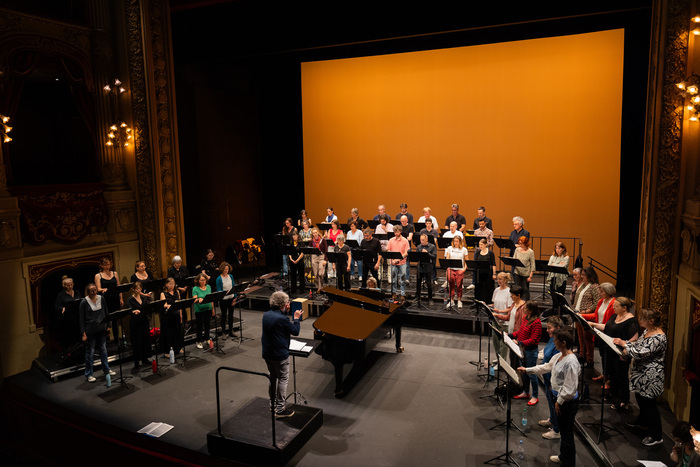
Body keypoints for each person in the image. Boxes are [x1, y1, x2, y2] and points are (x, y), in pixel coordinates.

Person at [519, 329, 580, 465]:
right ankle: (564, 457)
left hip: (566, 403)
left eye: (556, 340)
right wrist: (527, 370)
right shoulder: (559, 355)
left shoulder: (571, 362)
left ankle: (568, 463)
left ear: (563, 343)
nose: (554, 342)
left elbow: (570, 389)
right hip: (558, 399)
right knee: (564, 433)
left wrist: (559, 402)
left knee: (567, 435)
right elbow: (546, 367)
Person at [613, 308, 667, 447]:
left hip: (651, 376)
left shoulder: (658, 338)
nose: (639, 320)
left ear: (651, 321)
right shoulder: (647, 332)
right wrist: (626, 345)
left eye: (642, 318)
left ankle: (656, 435)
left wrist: (624, 344)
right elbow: (638, 345)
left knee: (649, 405)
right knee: (640, 399)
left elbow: (640, 352)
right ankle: (643, 423)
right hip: (641, 374)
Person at [589, 295, 638, 410]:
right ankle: (613, 394)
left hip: (620, 353)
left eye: (616, 306)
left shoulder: (631, 321)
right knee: (611, 374)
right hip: (610, 350)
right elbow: (608, 327)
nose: (614, 308)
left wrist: (625, 352)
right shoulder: (615, 316)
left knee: (621, 376)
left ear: (624, 308)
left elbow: (634, 338)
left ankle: (623, 400)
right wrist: (594, 325)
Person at [261, 291, 302, 419]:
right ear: (284, 304)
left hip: (267, 353)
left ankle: (272, 405)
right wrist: (296, 318)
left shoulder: (266, 315)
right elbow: (295, 331)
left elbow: (279, 323)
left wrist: (285, 311)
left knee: (272, 377)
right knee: (283, 379)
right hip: (280, 354)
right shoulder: (282, 319)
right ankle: (279, 409)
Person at [577, 282, 617, 374]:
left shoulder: (614, 303)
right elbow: (596, 315)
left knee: (608, 356)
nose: (600, 293)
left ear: (608, 292)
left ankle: (608, 378)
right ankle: (604, 375)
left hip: (607, 333)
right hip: (599, 331)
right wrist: (582, 315)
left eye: (602, 291)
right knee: (602, 355)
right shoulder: (601, 301)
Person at [79, 283, 115, 382]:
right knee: (90, 352)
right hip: (90, 331)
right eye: (92, 290)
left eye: (95, 289)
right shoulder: (84, 302)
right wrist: (83, 333)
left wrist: (109, 326)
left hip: (102, 329)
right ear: (87, 291)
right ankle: (89, 374)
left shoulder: (101, 298)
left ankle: (106, 369)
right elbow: (81, 319)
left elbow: (106, 312)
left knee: (103, 349)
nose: (94, 292)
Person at [510, 301, 542, 406]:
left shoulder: (536, 322)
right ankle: (526, 392)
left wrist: (520, 342)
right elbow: (520, 332)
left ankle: (535, 396)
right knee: (523, 372)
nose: (524, 309)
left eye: (526, 308)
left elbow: (534, 340)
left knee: (532, 374)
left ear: (531, 310)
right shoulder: (525, 318)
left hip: (530, 351)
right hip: (522, 349)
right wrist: (511, 335)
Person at [538, 316, 564, 442]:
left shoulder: (558, 344)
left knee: (554, 404)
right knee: (549, 401)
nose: (547, 330)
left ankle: (557, 430)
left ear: (558, 329)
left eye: (549, 328)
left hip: (553, 380)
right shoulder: (551, 340)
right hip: (547, 377)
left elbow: (554, 366)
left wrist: (551, 383)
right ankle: (552, 420)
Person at [572, 267, 600, 367]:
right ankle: (582, 355)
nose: (582, 276)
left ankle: (589, 359)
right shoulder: (582, 285)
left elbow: (597, 303)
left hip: (587, 316)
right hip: (578, 314)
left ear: (589, 275)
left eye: (583, 275)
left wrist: (585, 311)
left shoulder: (594, 287)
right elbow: (577, 298)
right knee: (580, 337)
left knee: (588, 339)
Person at [126, 282, 152, 370]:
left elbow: (148, 307)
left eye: (140, 289)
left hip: (144, 321)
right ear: (133, 289)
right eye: (137, 289)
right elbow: (129, 310)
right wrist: (133, 311)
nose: (138, 290)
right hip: (135, 323)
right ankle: (136, 362)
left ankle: (145, 359)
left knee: (145, 340)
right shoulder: (130, 299)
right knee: (137, 342)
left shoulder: (144, 297)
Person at [95, 257, 122, 340]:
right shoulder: (98, 275)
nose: (107, 266)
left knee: (115, 320)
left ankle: (117, 339)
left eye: (109, 265)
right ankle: (107, 340)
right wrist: (103, 289)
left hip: (115, 298)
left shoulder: (115, 273)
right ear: (102, 266)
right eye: (105, 265)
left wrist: (121, 299)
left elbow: (119, 287)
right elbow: (98, 288)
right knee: (107, 321)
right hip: (106, 300)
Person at [54, 275, 82, 355]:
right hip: (67, 321)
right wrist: (62, 308)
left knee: (78, 338)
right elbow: (57, 307)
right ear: (64, 286)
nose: (70, 286)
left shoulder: (77, 293)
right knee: (69, 339)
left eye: (71, 284)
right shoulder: (61, 295)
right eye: (67, 285)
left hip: (77, 319)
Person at [491, 272, 514, 359]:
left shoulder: (509, 292)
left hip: (504, 322)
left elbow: (509, 308)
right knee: (495, 342)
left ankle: (502, 362)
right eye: (498, 279)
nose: (498, 281)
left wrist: (499, 311)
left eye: (500, 279)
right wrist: (486, 305)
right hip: (495, 320)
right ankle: (498, 359)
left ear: (505, 280)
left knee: (503, 345)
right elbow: (494, 304)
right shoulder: (496, 290)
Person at [160, 277, 182, 356]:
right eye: (170, 284)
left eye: (173, 284)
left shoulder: (177, 292)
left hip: (176, 315)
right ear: (166, 285)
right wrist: (167, 305)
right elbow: (164, 304)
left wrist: (181, 315)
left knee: (176, 332)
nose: (171, 286)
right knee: (168, 333)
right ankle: (167, 351)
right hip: (167, 316)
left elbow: (179, 304)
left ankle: (177, 348)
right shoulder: (163, 293)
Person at [445, 235, 468, 309]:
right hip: (451, 269)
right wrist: (448, 268)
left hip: (460, 270)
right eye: (454, 241)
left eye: (457, 241)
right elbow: (447, 259)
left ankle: (459, 300)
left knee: (459, 286)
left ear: (460, 242)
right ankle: (451, 300)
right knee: (451, 284)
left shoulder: (464, 249)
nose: (456, 243)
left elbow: (466, 261)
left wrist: (464, 269)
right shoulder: (449, 248)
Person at [192, 273, 214, 349]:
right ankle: (198, 341)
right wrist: (198, 299)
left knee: (207, 324)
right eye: (201, 280)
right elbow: (194, 299)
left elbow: (211, 299)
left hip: (208, 308)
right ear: (198, 281)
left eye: (204, 280)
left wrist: (213, 309)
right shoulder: (195, 288)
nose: (203, 281)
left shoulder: (208, 287)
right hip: (200, 310)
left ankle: (207, 338)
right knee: (200, 326)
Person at [388, 225, 410, 300]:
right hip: (393, 262)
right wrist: (394, 259)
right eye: (394, 232)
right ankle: (394, 293)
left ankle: (402, 293)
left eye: (397, 232)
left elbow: (406, 252)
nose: (396, 233)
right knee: (394, 279)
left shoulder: (405, 240)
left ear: (400, 231)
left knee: (402, 279)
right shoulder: (391, 240)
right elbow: (388, 251)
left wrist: (399, 259)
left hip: (402, 262)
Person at [547, 242, 570, 314]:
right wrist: (558, 264)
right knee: (553, 294)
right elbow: (549, 264)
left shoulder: (566, 257)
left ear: (563, 249)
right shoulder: (553, 256)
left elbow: (563, 266)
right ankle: (554, 310)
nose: (557, 250)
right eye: (556, 248)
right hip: (553, 278)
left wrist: (554, 264)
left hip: (561, 279)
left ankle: (561, 312)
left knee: (560, 295)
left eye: (559, 248)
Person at [216, 261, 237, 338]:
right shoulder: (219, 278)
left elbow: (233, 287)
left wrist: (235, 297)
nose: (226, 271)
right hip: (224, 300)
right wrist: (224, 292)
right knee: (224, 315)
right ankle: (224, 332)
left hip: (231, 298)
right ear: (222, 269)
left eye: (227, 269)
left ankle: (231, 330)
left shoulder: (230, 276)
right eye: (225, 269)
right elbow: (219, 290)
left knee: (231, 315)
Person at [416, 234, 437, 305]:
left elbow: (434, 256)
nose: (421, 241)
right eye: (421, 240)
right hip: (420, 266)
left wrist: (427, 253)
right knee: (418, 283)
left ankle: (430, 298)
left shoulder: (432, 246)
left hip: (428, 267)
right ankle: (418, 297)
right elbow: (416, 256)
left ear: (427, 240)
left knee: (429, 283)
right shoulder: (418, 247)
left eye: (423, 240)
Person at [513, 236, 535, 300]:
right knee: (518, 288)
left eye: (521, 243)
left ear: (526, 243)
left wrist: (530, 276)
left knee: (525, 289)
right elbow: (514, 259)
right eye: (519, 243)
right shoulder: (517, 250)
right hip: (517, 272)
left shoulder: (530, 252)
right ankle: (518, 302)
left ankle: (527, 303)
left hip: (526, 273)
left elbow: (533, 264)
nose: (520, 245)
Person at [474, 238, 496, 303]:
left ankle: (488, 302)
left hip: (488, 273)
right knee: (479, 287)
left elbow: (493, 264)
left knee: (487, 288)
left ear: (486, 244)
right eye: (479, 245)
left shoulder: (490, 252)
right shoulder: (478, 252)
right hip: (480, 273)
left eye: (482, 245)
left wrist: (494, 274)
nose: (480, 246)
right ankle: (479, 302)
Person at [375, 214, 394, 283]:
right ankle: (380, 277)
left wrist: (385, 230)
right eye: (381, 221)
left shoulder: (391, 226)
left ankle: (390, 278)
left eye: (383, 221)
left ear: (386, 220)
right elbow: (376, 237)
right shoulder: (378, 227)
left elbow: (391, 237)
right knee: (380, 263)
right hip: (381, 247)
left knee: (389, 264)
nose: (382, 223)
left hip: (388, 247)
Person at [309, 227, 328, 292]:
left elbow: (326, 250)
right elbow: (310, 249)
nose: (315, 234)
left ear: (318, 232)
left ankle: (321, 287)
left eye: (316, 232)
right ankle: (318, 287)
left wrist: (325, 260)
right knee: (316, 274)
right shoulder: (311, 241)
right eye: (313, 233)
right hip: (314, 256)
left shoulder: (323, 240)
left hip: (321, 256)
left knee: (320, 274)